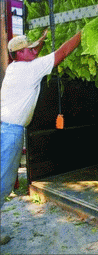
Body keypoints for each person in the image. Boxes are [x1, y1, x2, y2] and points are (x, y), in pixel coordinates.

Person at [0, 29, 81, 245]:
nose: (34, 50)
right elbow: (62, 53)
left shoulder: (14, 68)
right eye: (30, 48)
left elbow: (35, 56)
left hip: (4, 128)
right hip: (10, 133)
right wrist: (83, 33)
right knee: (3, 181)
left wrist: (41, 42)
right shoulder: (30, 69)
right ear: (20, 54)